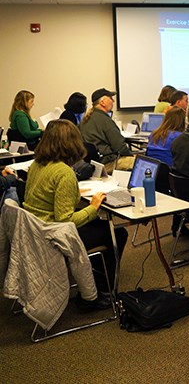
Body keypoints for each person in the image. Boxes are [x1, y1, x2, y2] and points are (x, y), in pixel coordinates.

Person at [23, 119, 127, 306]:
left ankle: (93, 281)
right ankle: (100, 293)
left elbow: (47, 195)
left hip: (35, 231)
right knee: (116, 233)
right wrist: (93, 207)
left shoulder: (37, 164)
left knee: (100, 228)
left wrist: (74, 194)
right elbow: (66, 220)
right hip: (54, 235)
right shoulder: (64, 172)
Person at [79, 88, 134, 171]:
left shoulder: (85, 119)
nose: (113, 101)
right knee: (141, 164)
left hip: (92, 163)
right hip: (107, 163)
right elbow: (120, 146)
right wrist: (132, 155)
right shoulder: (105, 120)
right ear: (102, 102)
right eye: (111, 98)